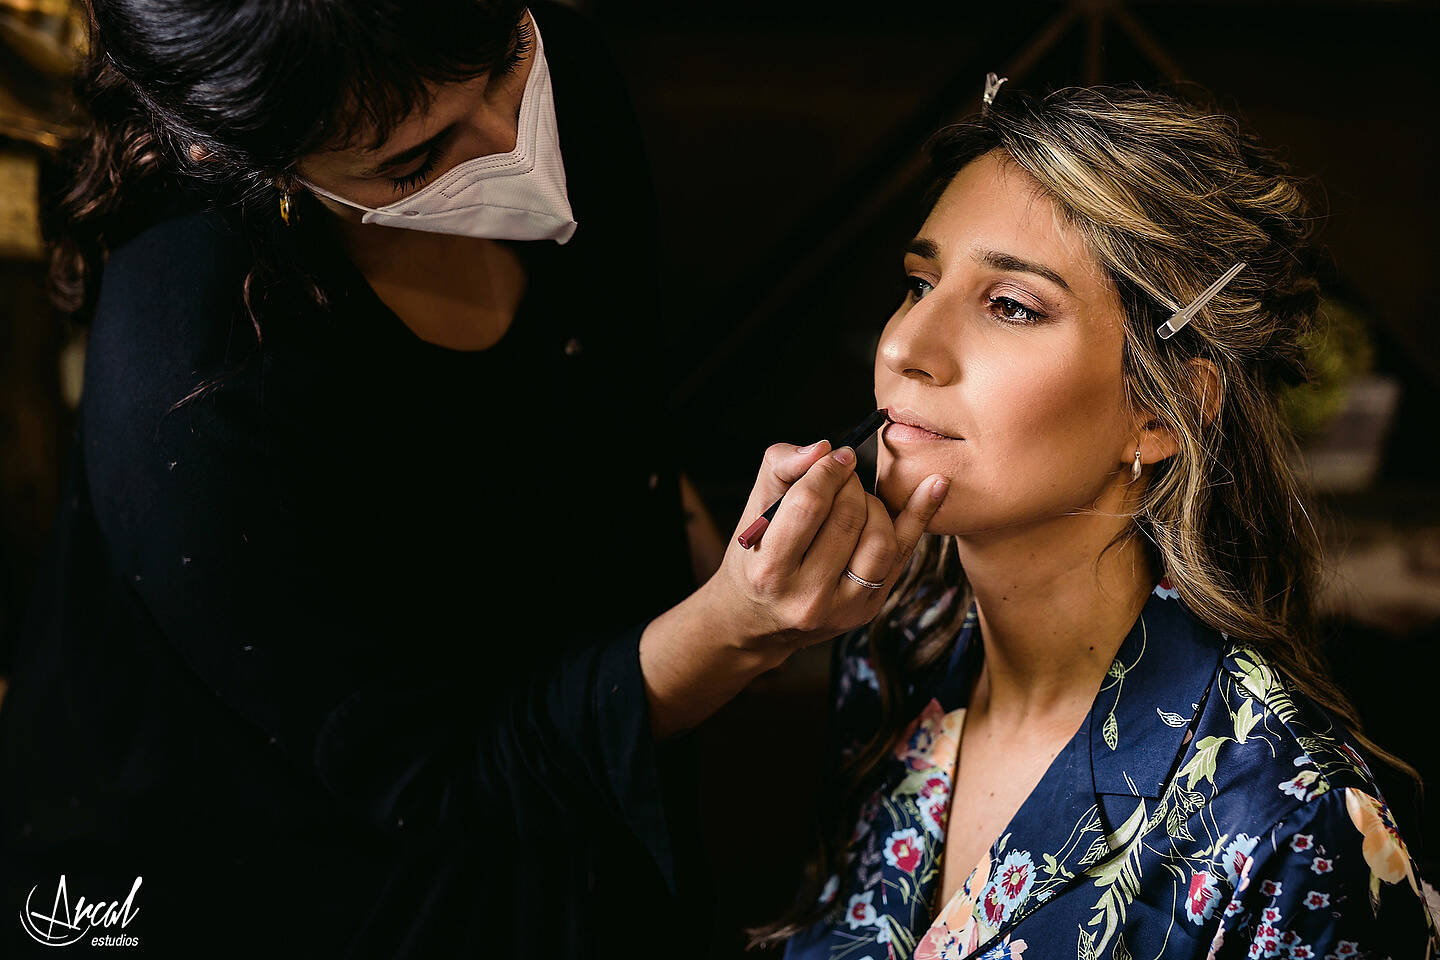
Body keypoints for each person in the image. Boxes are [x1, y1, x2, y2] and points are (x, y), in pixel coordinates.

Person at [0, 2, 950, 957]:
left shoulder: (549, 73)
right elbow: (444, 781)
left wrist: (701, 545)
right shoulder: (195, 382)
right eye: (414, 159)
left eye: (507, 61)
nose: (509, 139)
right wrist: (737, 627)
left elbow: (609, 384)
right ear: (235, 156)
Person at [751, 84, 1439, 958]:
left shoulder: (1286, 828)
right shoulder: (897, 648)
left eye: (1011, 305)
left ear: (1159, 415)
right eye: (919, 283)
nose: (902, 347)